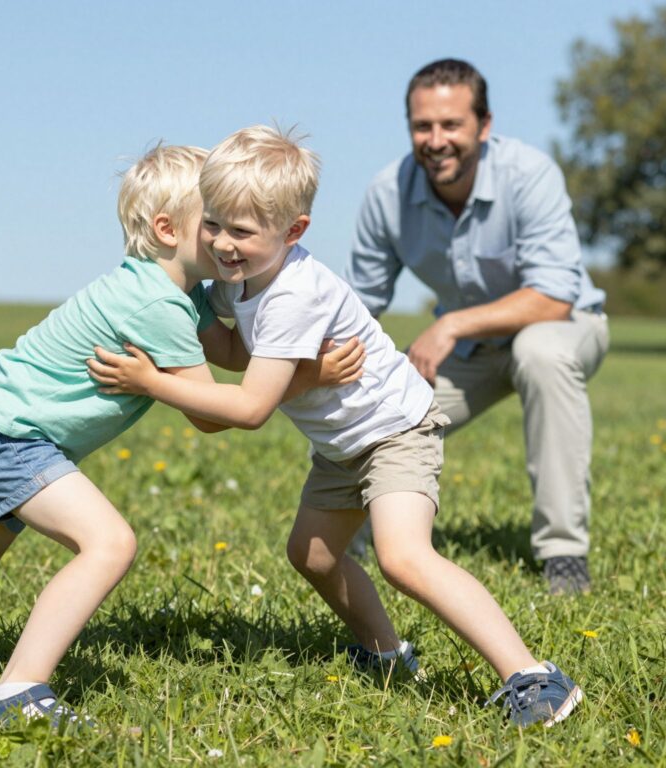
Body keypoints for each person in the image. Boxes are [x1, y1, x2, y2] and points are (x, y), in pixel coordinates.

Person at [0, 144, 360, 727]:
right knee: (109, 543)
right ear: (168, 229)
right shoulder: (153, 304)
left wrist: (283, 316)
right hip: (6, 436)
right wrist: (310, 377)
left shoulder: (177, 292)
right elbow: (213, 415)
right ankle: (16, 691)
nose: (225, 239)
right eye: (213, 219)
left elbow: (233, 351)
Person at [88, 125, 584, 727]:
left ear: (293, 231)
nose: (222, 243)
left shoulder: (295, 293)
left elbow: (249, 408)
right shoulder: (238, 277)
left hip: (396, 430)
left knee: (404, 558)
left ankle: (532, 675)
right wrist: (180, 309)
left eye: (240, 231)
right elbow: (236, 352)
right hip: (342, 445)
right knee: (313, 555)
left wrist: (149, 382)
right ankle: (386, 654)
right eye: (213, 223)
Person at [346, 58, 609, 595]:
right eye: (423, 126)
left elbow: (555, 297)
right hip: (470, 351)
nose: (436, 140)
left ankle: (564, 556)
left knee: (540, 353)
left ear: (484, 126)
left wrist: (451, 326)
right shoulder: (387, 195)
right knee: (376, 399)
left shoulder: (529, 174)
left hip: (564, 326)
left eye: (451, 125)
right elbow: (360, 305)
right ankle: (346, 534)